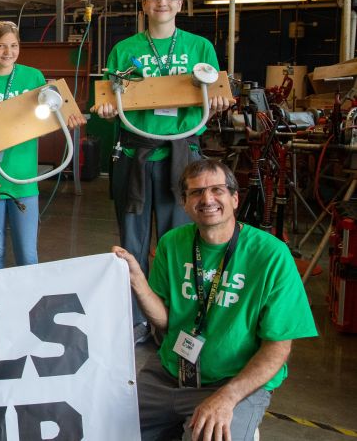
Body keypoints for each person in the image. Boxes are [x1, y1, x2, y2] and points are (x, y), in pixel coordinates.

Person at [113, 159, 316, 441]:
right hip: (169, 374)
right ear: (184, 203)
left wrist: (227, 397)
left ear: (234, 198)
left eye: (217, 190)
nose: (207, 199)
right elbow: (165, 320)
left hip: (232, 383)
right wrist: (137, 279)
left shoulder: (271, 255)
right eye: (196, 192)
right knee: (99, 424)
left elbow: (278, 349)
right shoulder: (172, 243)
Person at [94, 0, 234, 343]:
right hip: (136, 156)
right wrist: (108, 108)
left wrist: (218, 101)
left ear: (181, 3)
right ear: (144, 3)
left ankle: (175, 320)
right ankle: (137, 321)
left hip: (182, 159)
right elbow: (114, 92)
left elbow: (216, 90)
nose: (162, 3)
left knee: (180, 244)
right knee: (133, 245)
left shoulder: (199, 47)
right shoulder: (126, 51)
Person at [0, 21, 83, 270]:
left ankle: (28, 305)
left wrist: (68, 116)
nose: (8, 52)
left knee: (27, 255)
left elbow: (55, 109)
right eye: (1, 46)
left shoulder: (33, 77)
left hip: (24, 178)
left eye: (14, 46)